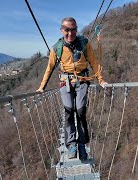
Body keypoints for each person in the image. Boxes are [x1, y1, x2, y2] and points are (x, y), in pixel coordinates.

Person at [36, 17, 107, 160]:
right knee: (68, 111)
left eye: (73, 29)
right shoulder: (57, 47)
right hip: (65, 82)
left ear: (76, 29)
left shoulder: (84, 44)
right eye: (67, 30)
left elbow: (93, 62)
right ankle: (71, 144)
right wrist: (41, 87)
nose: (70, 33)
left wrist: (101, 80)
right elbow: (49, 68)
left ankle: (82, 143)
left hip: (82, 81)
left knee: (80, 110)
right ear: (61, 30)